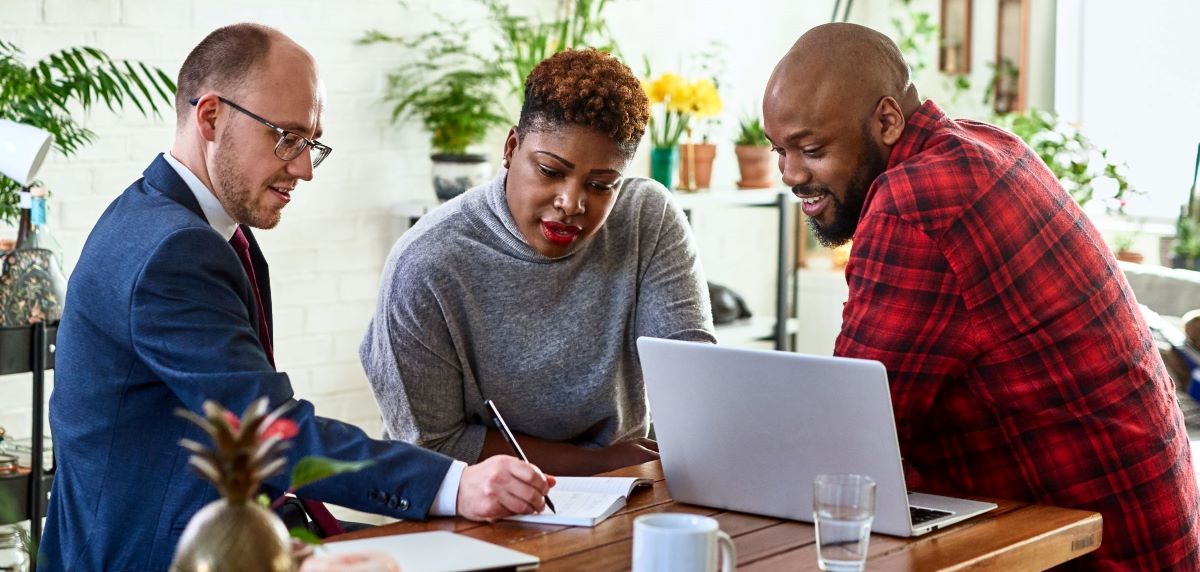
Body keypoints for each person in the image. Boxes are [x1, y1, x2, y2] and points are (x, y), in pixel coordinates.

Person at [40, 24, 552, 571]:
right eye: (286, 137)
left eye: (311, 142)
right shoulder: (175, 250)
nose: (304, 167)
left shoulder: (175, 220)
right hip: (157, 553)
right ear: (211, 117)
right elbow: (269, 430)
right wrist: (456, 484)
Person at [762, 23, 1198, 569]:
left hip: (1089, 552)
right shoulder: (989, 144)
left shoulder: (913, 202)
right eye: (778, 149)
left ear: (888, 120)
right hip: (1147, 533)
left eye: (811, 148)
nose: (790, 173)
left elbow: (849, 437)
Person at [360, 48, 715, 477]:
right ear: (511, 148)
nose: (572, 203)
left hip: (622, 494)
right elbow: (430, 445)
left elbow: (692, 382)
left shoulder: (647, 218)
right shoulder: (426, 263)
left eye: (601, 184)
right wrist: (597, 462)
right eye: (549, 171)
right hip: (474, 507)